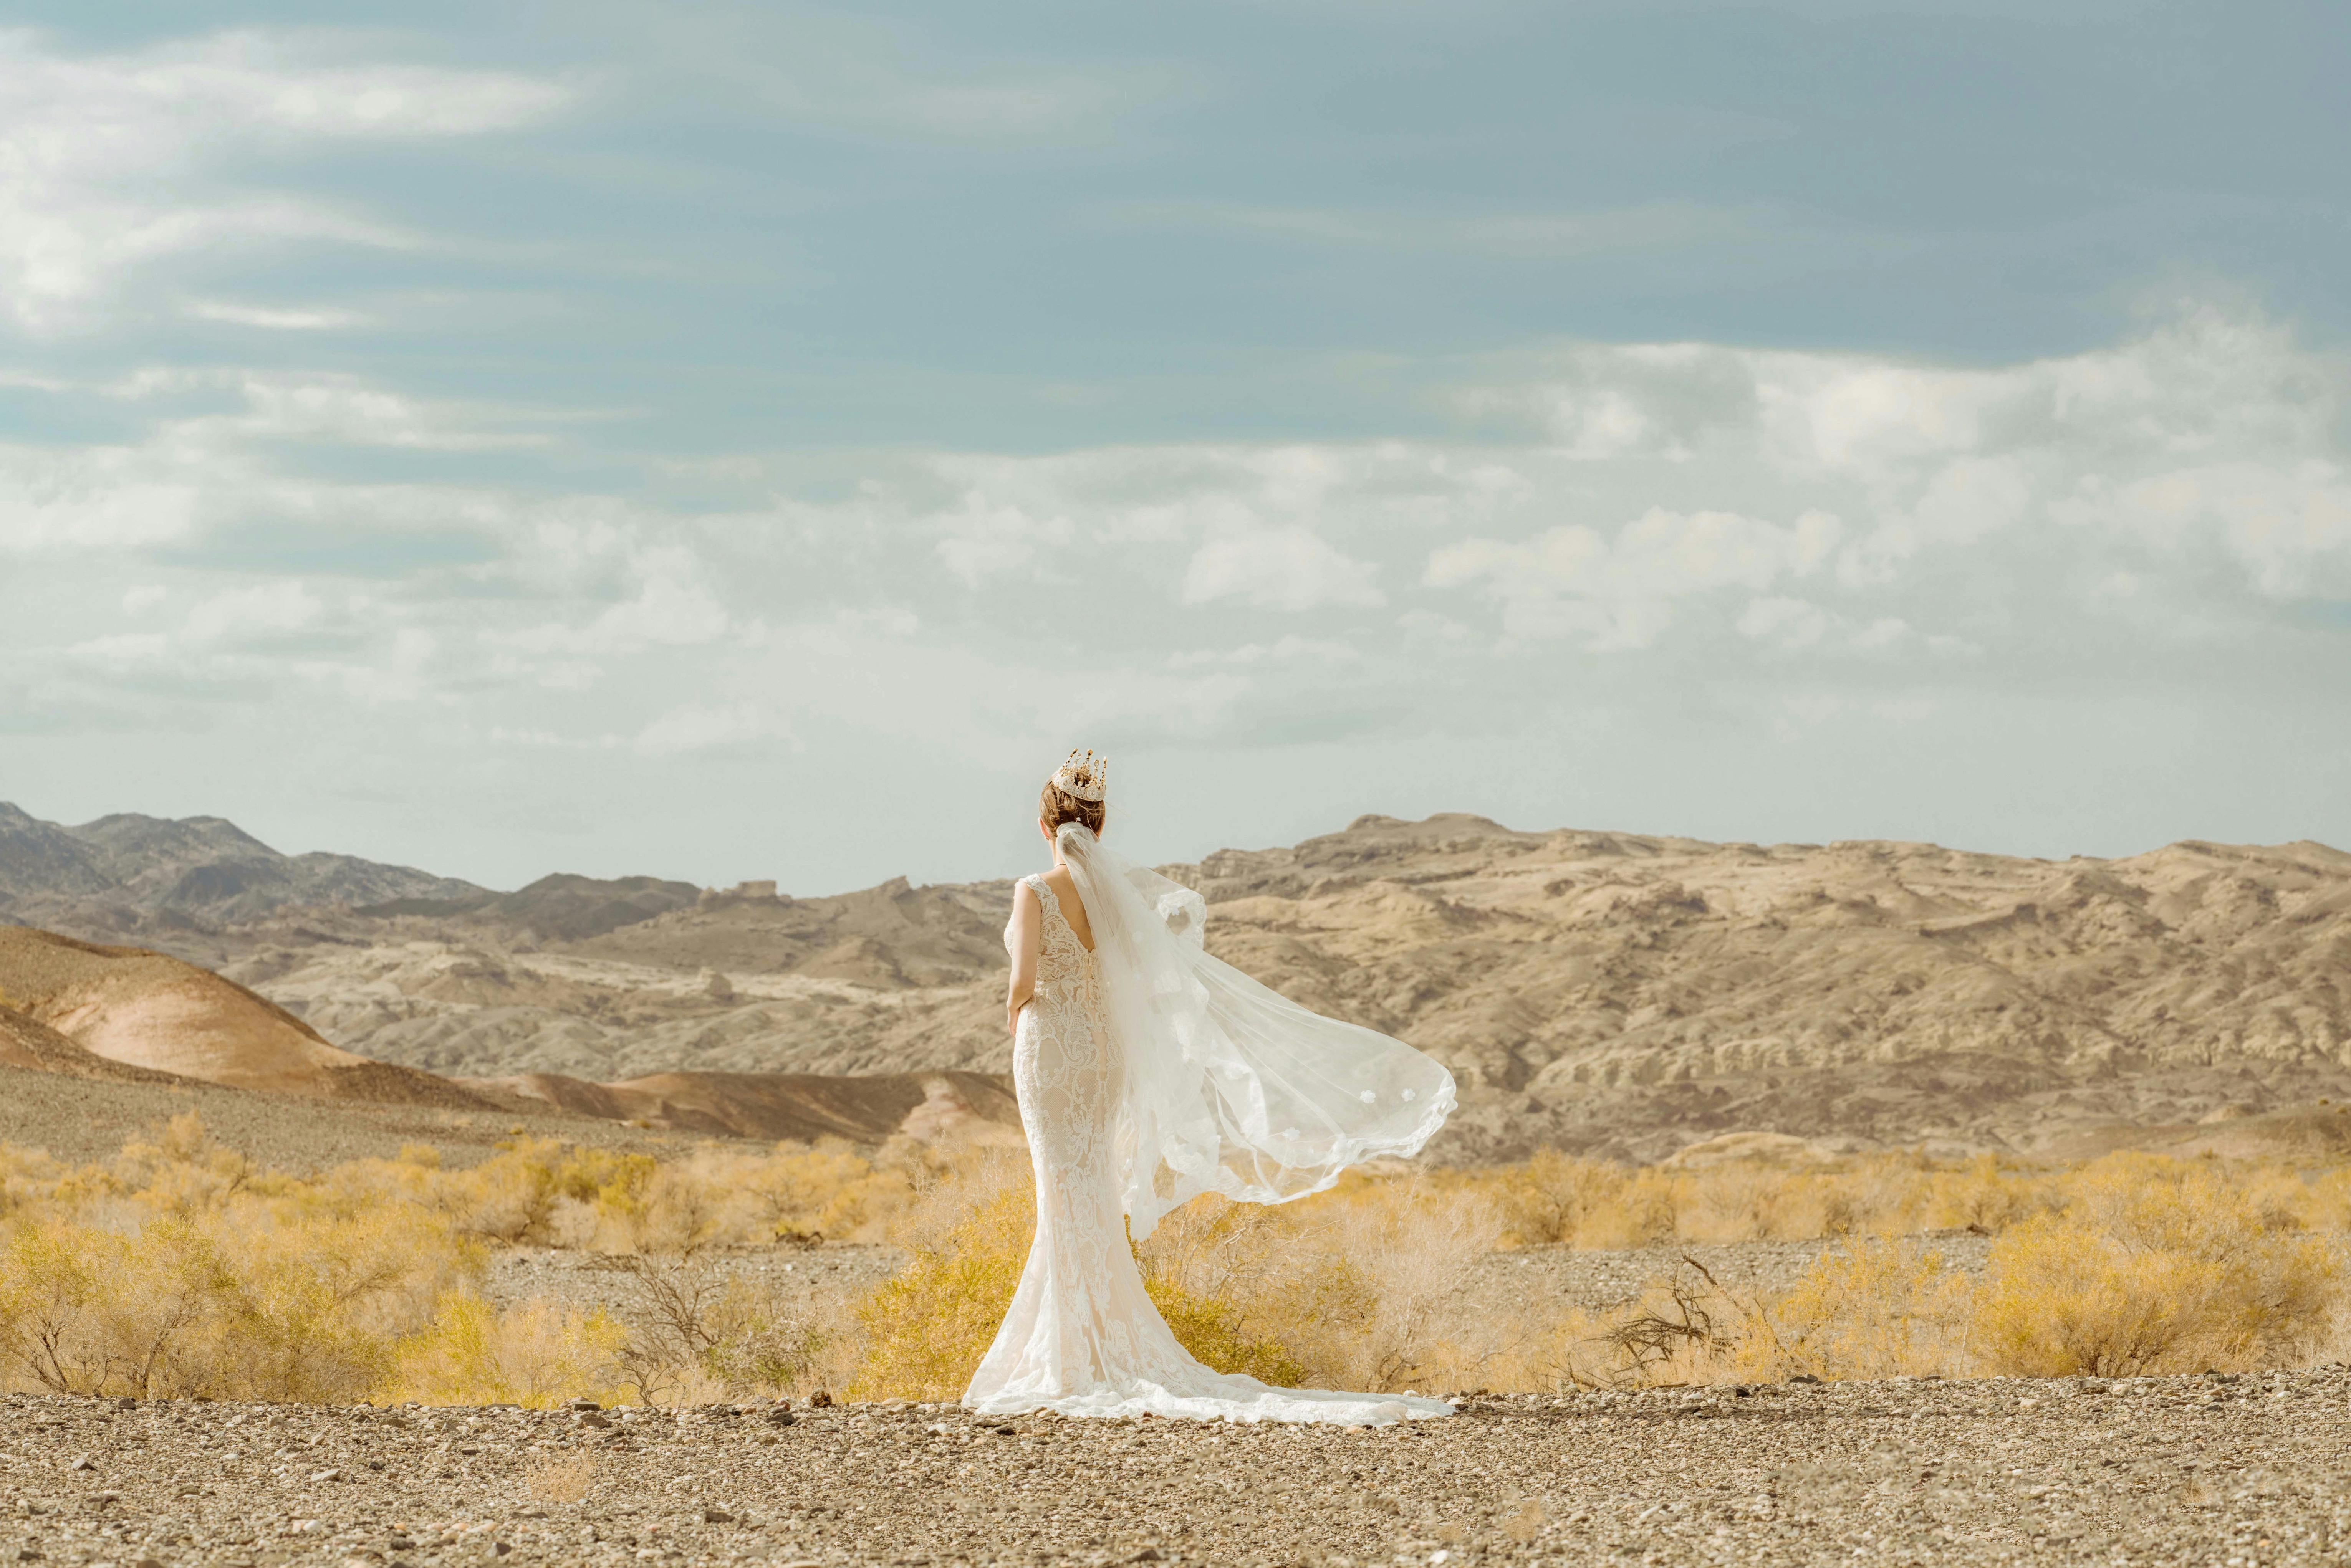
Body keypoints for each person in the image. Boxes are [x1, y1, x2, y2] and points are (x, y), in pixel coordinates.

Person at [964, 749, 1458, 1424]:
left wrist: (1011, 1018)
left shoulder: (1035, 889)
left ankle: (1074, 1352)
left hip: (1050, 1045)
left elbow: (1023, 980)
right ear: (1098, 827)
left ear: (1046, 824)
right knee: (1089, 1184)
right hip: (1102, 1051)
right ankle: (1090, 1342)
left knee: (1061, 1183)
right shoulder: (1119, 898)